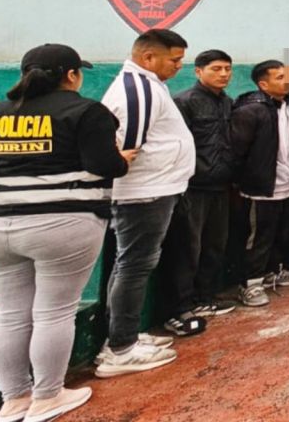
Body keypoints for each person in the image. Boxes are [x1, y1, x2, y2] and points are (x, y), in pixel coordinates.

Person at [0, 44, 131, 422]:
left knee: (11, 316)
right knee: (54, 313)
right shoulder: (86, 111)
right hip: (62, 224)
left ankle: (14, 401)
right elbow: (105, 165)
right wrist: (123, 158)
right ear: (71, 75)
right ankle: (47, 396)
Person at [96, 29, 194, 378]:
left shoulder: (149, 84)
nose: (179, 66)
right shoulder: (137, 90)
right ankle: (120, 349)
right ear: (148, 57)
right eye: (174, 60)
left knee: (131, 264)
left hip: (153, 189)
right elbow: (124, 148)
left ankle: (123, 336)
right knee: (134, 265)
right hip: (143, 193)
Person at [159, 49, 237, 337]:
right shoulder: (184, 102)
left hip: (221, 185)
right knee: (187, 249)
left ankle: (206, 297)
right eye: (216, 69)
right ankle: (180, 308)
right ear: (198, 71)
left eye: (227, 69)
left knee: (214, 244)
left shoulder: (227, 102)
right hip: (192, 188)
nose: (224, 74)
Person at [230, 61, 289, 306]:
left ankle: (272, 271)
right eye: (280, 77)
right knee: (258, 237)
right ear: (263, 84)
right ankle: (249, 284)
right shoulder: (250, 111)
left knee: (281, 233)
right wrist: (246, 181)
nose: (287, 80)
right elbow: (237, 153)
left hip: (287, 184)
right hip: (261, 189)